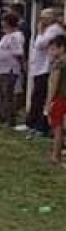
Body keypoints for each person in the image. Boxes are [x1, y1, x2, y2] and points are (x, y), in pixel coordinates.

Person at [24, 8, 66, 137]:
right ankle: (33, 123)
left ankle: (39, 125)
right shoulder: (48, 29)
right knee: (37, 95)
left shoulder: (54, 30)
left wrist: (40, 32)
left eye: (43, 17)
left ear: (51, 17)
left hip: (45, 68)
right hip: (40, 67)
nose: (41, 20)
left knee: (40, 96)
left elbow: (39, 44)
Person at [0, 12, 25, 127]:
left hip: (8, 70)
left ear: (8, 22)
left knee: (7, 95)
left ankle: (10, 120)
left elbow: (19, 53)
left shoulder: (16, 36)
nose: (1, 23)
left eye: (3, 21)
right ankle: (2, 117)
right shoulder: (6, 36)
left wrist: (21, 67)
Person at [45, 34, 66, 165]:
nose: (50, 51)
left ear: (62, 48)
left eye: (53, 48)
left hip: (60, 98)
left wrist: (48, 103)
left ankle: (55, 156)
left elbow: (54, 84)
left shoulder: (59, 63)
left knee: (57, 128)